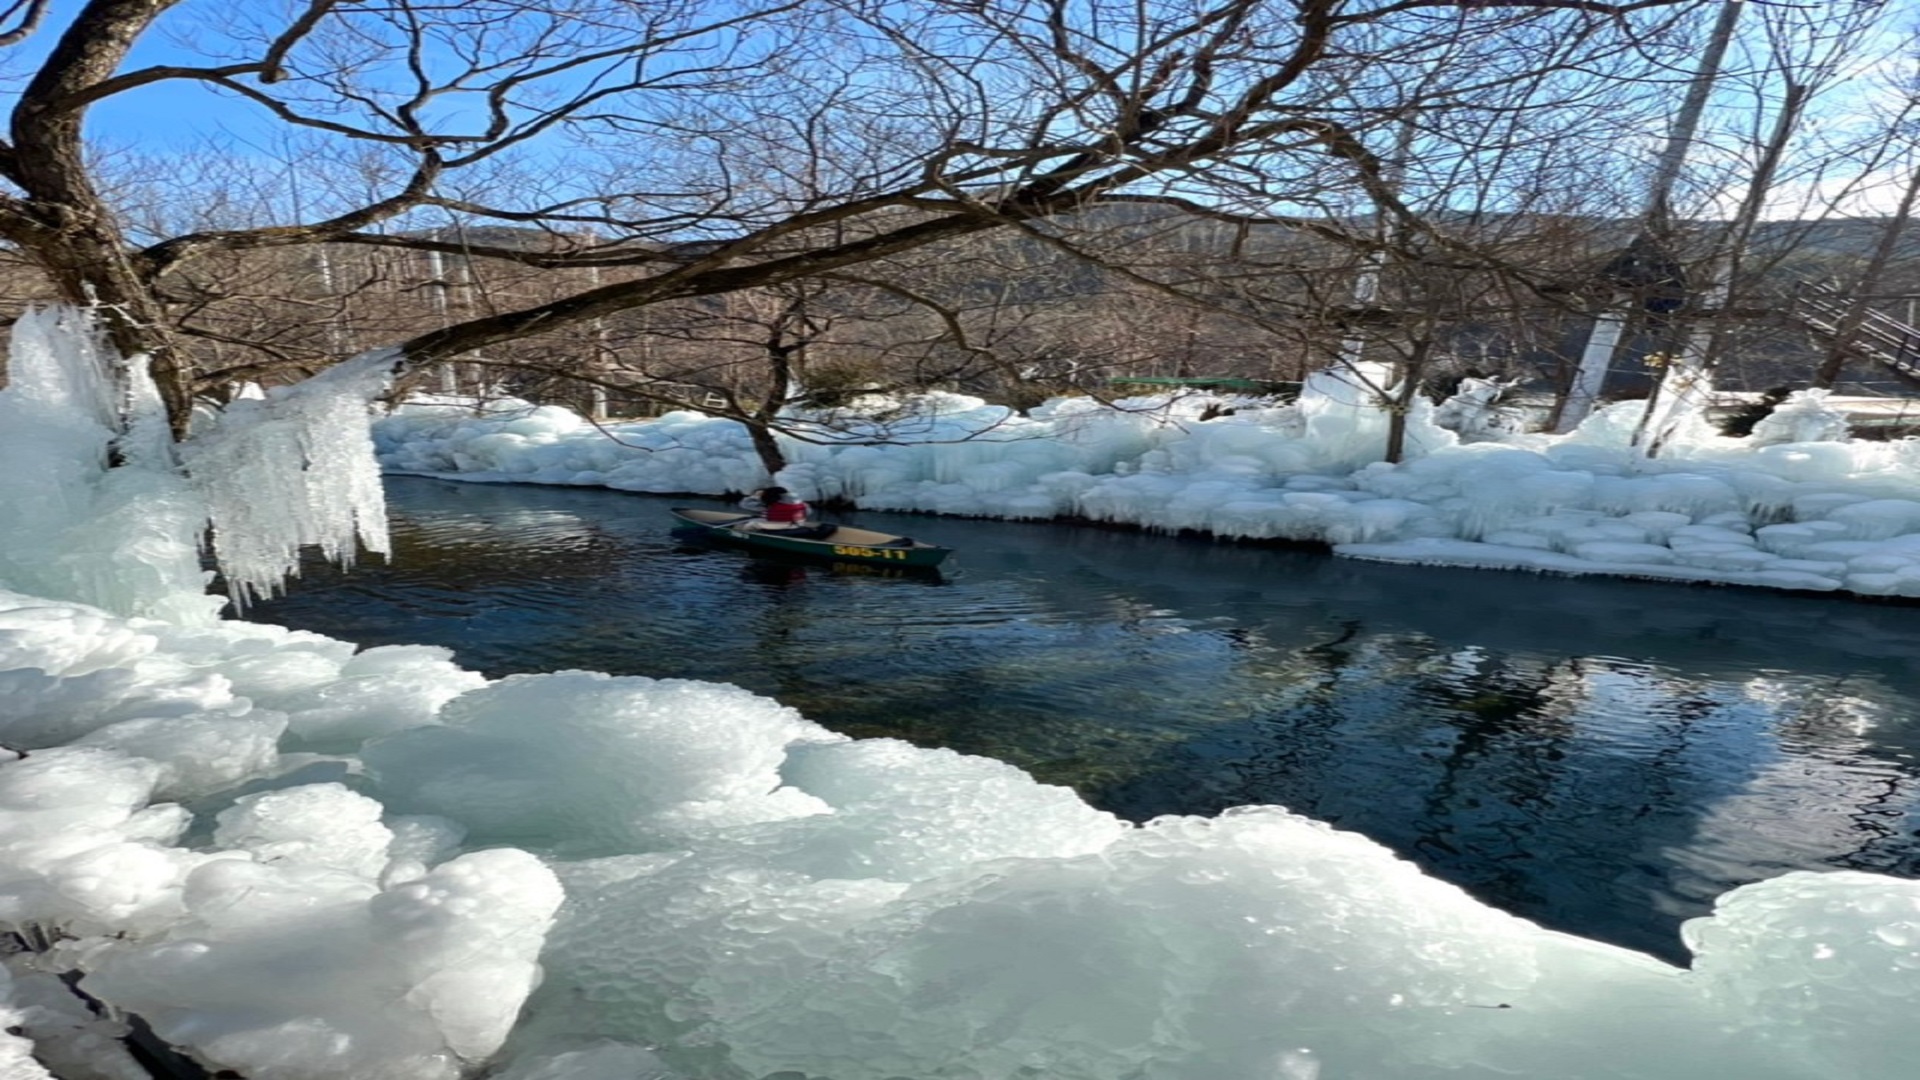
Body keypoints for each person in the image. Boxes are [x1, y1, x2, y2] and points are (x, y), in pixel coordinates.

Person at [738, 486, 815, 531]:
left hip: (780, 526)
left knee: (751, 524)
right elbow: (808, 512)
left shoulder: (769, 505)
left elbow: (744, 505)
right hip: (797, 525)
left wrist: (754, 496)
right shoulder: (801, 504)